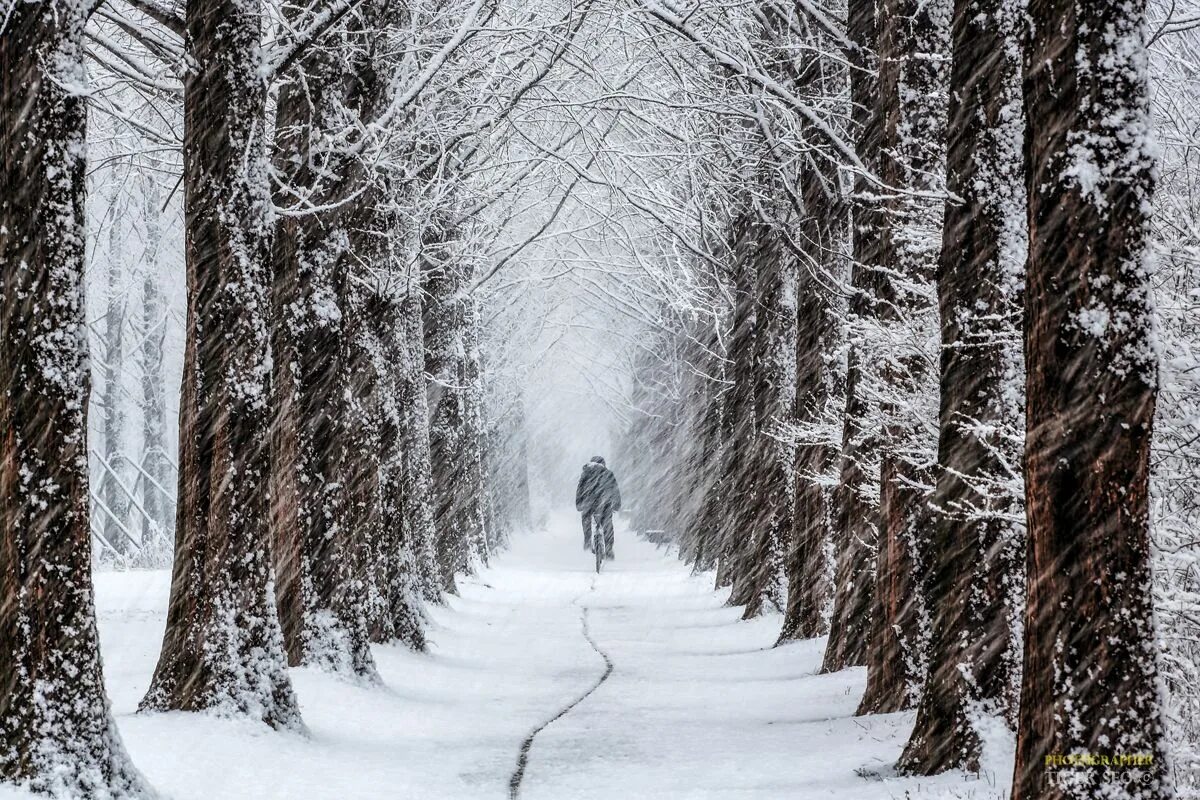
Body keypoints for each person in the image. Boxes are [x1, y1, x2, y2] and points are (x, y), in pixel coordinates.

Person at [575, 456, 621, 559]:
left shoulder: (586, 473)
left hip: (589, 502)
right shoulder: (608, 473)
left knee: (586, 518)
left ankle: (587, 540)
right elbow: (615, 489)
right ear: (603, 464)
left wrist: (579, 503)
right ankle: (609, 548)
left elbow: (580, 489)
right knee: (607, 524)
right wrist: (617, 504)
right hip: (604, 502)